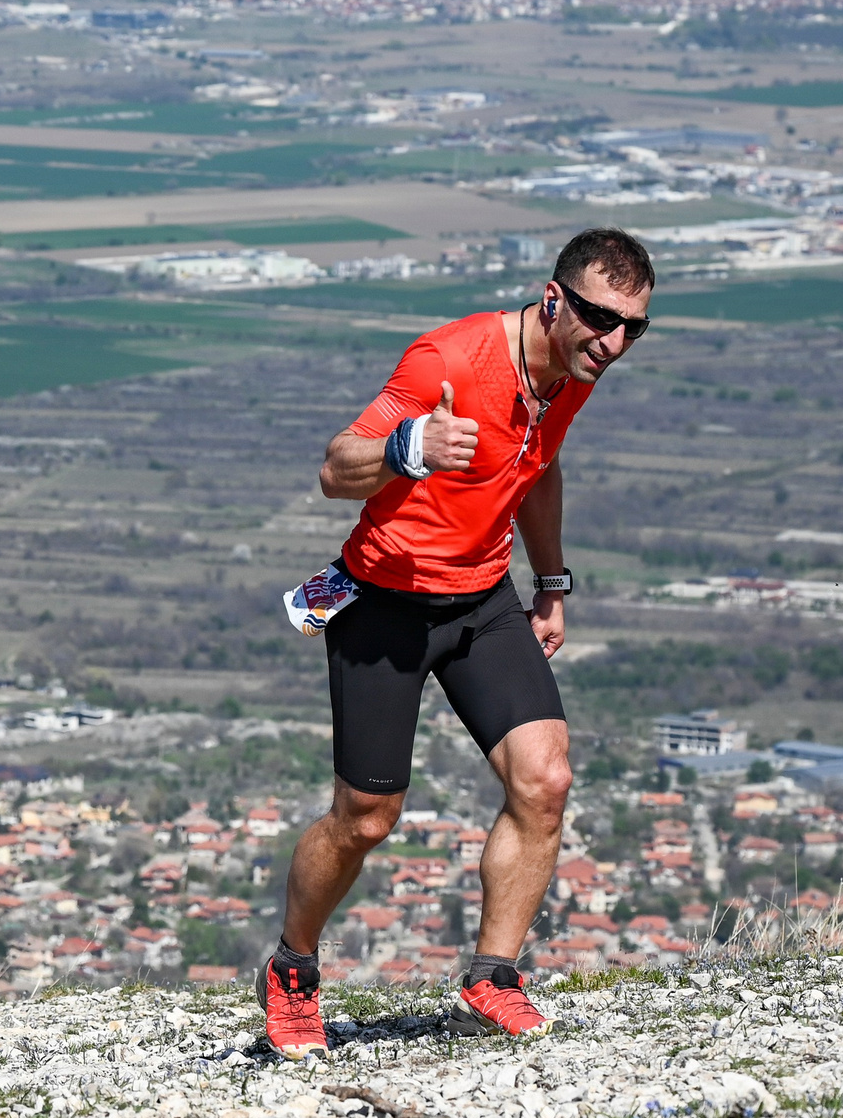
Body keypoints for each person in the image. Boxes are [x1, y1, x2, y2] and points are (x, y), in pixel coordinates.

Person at [261, 227, 656, 1058]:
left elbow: (540, 469)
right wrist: (410, 448)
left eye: (633, 328)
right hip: (386, 603)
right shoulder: (444, 360)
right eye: (598, 318)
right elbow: (336, 469)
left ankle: (493, 976)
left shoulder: (572, 372)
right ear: (553, 300)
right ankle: (293, 967)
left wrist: (550, 585)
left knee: (545, 779)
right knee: (365, 821)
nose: (613, 342)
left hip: (482, 599)